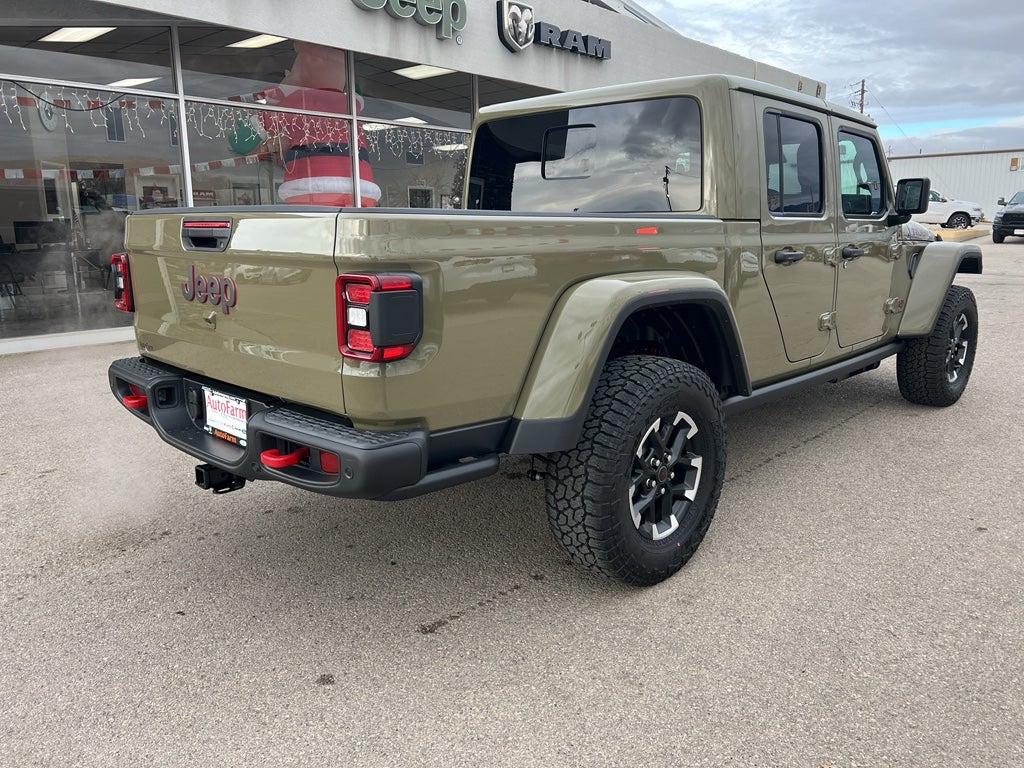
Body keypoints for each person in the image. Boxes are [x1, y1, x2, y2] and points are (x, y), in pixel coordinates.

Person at [230, 42, 381, 207]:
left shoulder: (296, 102)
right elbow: (356, 90)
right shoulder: (352, 106)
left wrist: (285, 89)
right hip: (363, 189)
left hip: (314, 188)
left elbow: (242, 140)